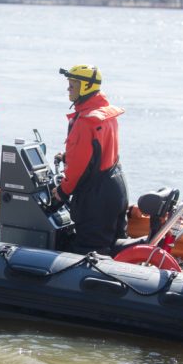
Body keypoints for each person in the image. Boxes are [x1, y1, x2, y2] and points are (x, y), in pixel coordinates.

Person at [51, 65, 128, 255]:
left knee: (89, 251)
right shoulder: (105, 113)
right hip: (116, 188)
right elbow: (98, 150)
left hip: (96, 197)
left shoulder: (85, 121)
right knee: (116, 243)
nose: (68, 89)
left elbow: (78, 168)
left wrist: (62, 191)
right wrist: (68, 156)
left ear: (85, 87)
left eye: (72, 85)